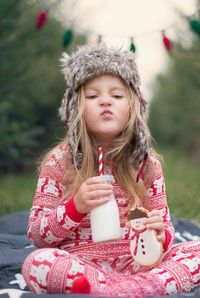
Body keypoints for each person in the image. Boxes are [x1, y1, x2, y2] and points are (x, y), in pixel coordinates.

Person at [22, 45, 200, 297]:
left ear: (133, 106)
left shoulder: (146, 165)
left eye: (116, 96)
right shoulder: (60, 162)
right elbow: (38, 235)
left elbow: (166, 228)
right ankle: (129, 289)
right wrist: (76, 206)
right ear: (75, 108)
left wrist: (161, 234)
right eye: (93, 96)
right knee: (38, 263)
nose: (105, 100)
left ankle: (122, 290)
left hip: (138, 265)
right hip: (81, 265)